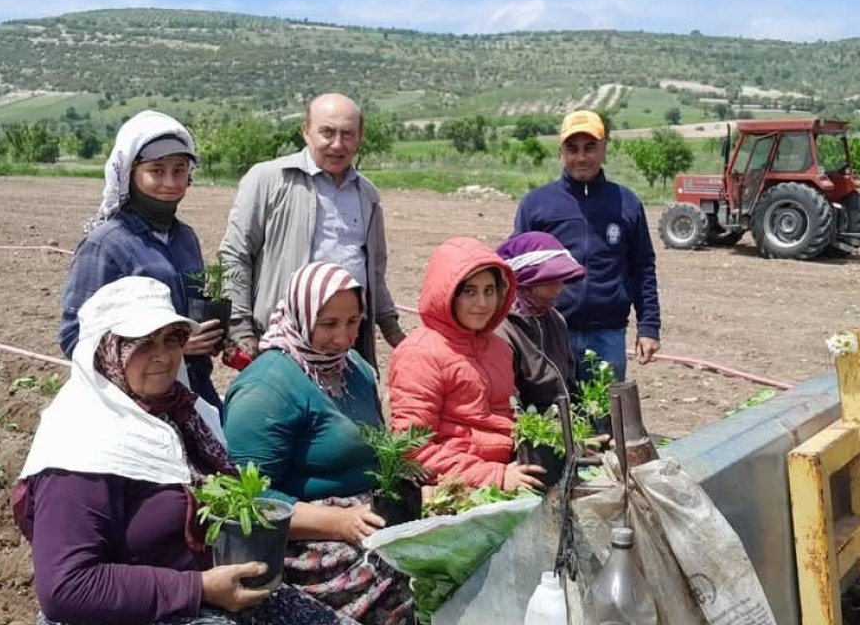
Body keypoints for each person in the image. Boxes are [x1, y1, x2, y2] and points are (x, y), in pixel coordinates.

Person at [16, 276, 352, 625]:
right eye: (143, 344)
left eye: (172, 339)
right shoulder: (82, 445)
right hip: (129, 612)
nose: (163, 356)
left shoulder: (180, 415)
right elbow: (67, 588)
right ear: (108, 351)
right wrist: (199, 587)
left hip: (206, 591)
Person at [222, 262, 412, 625]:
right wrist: (338, 521)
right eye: (328, 324)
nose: (343, 337)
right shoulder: (266, 388)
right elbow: (248, 499)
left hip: (363, 519)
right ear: (301, 315)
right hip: (302, 542)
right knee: (400, 579)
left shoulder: (353, 368)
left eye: (353, 321)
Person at [219, 94, 404, 367]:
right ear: (306, 131)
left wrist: (392, 329)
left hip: (349, 337)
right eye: (327, 132)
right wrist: (240, 328)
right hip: (285, 338)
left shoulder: (367, 193)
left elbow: (374, 270)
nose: (337, 144)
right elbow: (235, 254)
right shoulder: (268, 179)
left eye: (348, 134)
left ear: (360, 137)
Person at [59, 110, 225, 413]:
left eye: (179, 170)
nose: (170, 182)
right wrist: (172, 349)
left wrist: (210, 332)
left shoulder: (185, 238)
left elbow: (188, 308)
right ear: (129, 174)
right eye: (156, 171)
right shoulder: (106, 244)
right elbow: (74, 338)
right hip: (135, 405)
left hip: (194, 392)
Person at [512, 110, 661, 383]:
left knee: (605, 408)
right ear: (561, 152)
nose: (581, 157)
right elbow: (517, 270)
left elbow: (643, 268)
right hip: (550, 332)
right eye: (572, 149)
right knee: (553, 407)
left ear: (604, 149)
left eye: (590, 147)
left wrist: (648, 327)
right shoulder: (536, 205)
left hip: (608, 335)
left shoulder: (626, 203)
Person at [388, 237, 545, 490]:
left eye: (489, 291)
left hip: (505, 470)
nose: (482, 303)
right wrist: (494, 476)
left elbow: (503, 421)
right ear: (448, 295)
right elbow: (411, 450)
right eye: (470, 292)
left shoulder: (498, 348)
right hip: (454, 487)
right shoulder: (419, 354)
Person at [494, 232, 586, 411]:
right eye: (550, 281)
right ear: (524, 283)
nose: (559, 288)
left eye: (561, 280)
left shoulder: (555, 320)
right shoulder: (502, 332)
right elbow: (509, 404)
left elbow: (569, 382)